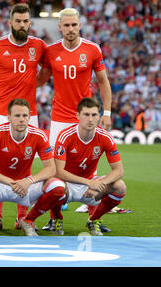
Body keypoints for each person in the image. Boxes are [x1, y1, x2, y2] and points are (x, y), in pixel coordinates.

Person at [37, 7, 113, 232]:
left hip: (85, 118)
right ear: (59, 27)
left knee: (89, 168)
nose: (70, 29)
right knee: (54, 170)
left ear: (80, 26)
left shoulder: (92, 49)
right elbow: (40, 80)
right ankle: (55, 218)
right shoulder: (50, 51)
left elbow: (103, 81)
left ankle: (94, 217)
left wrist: (106, 113)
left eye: (74, 25)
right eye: (66, 25)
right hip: (59, 119)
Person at [0, 3, 48, 230]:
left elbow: (47, 69)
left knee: (27, 163)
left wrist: (35, 83)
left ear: (30, 23)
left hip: (29, 113)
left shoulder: (39, 46)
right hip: (1, 112)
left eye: (26, 21)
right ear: (10, 22)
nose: (22, 25)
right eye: (18, 21)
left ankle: (21, 217)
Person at [0, 98, 65, 236]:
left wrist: (29, 181)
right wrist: (10, 182)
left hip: (26, 185)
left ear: (29, 117)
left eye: (25, 116)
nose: (21, 119)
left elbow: (51, 169)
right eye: (17, 115)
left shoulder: (38, 135)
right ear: (9, 117)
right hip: (0, 183)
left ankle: (28, 220)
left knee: (58, 187)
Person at [53, 97, 126, 235]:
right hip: (67, 183)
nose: (90, 119)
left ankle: (94, 219)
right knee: (54, 186)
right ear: (78, 116)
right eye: (86, 114)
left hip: (90, 183)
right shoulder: (65, 136)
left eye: (94, 115)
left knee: (120, 186)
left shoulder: (105, 137)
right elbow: (58, 171)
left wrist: (100, 183)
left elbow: (119, 170)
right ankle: (57, 219)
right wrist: (89, 182)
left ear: (99, 116)